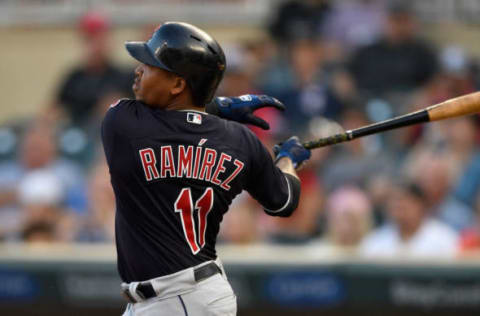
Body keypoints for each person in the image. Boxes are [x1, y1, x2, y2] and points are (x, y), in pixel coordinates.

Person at [101, 22, 310, 316]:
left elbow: (178, 117)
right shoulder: (241, 141)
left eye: (149, 66)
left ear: (177, 84)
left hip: (182, 299)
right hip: (187, 296)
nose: (138, 70)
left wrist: (220, 104)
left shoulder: (123, 124)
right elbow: (284, 201)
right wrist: (289, 160)